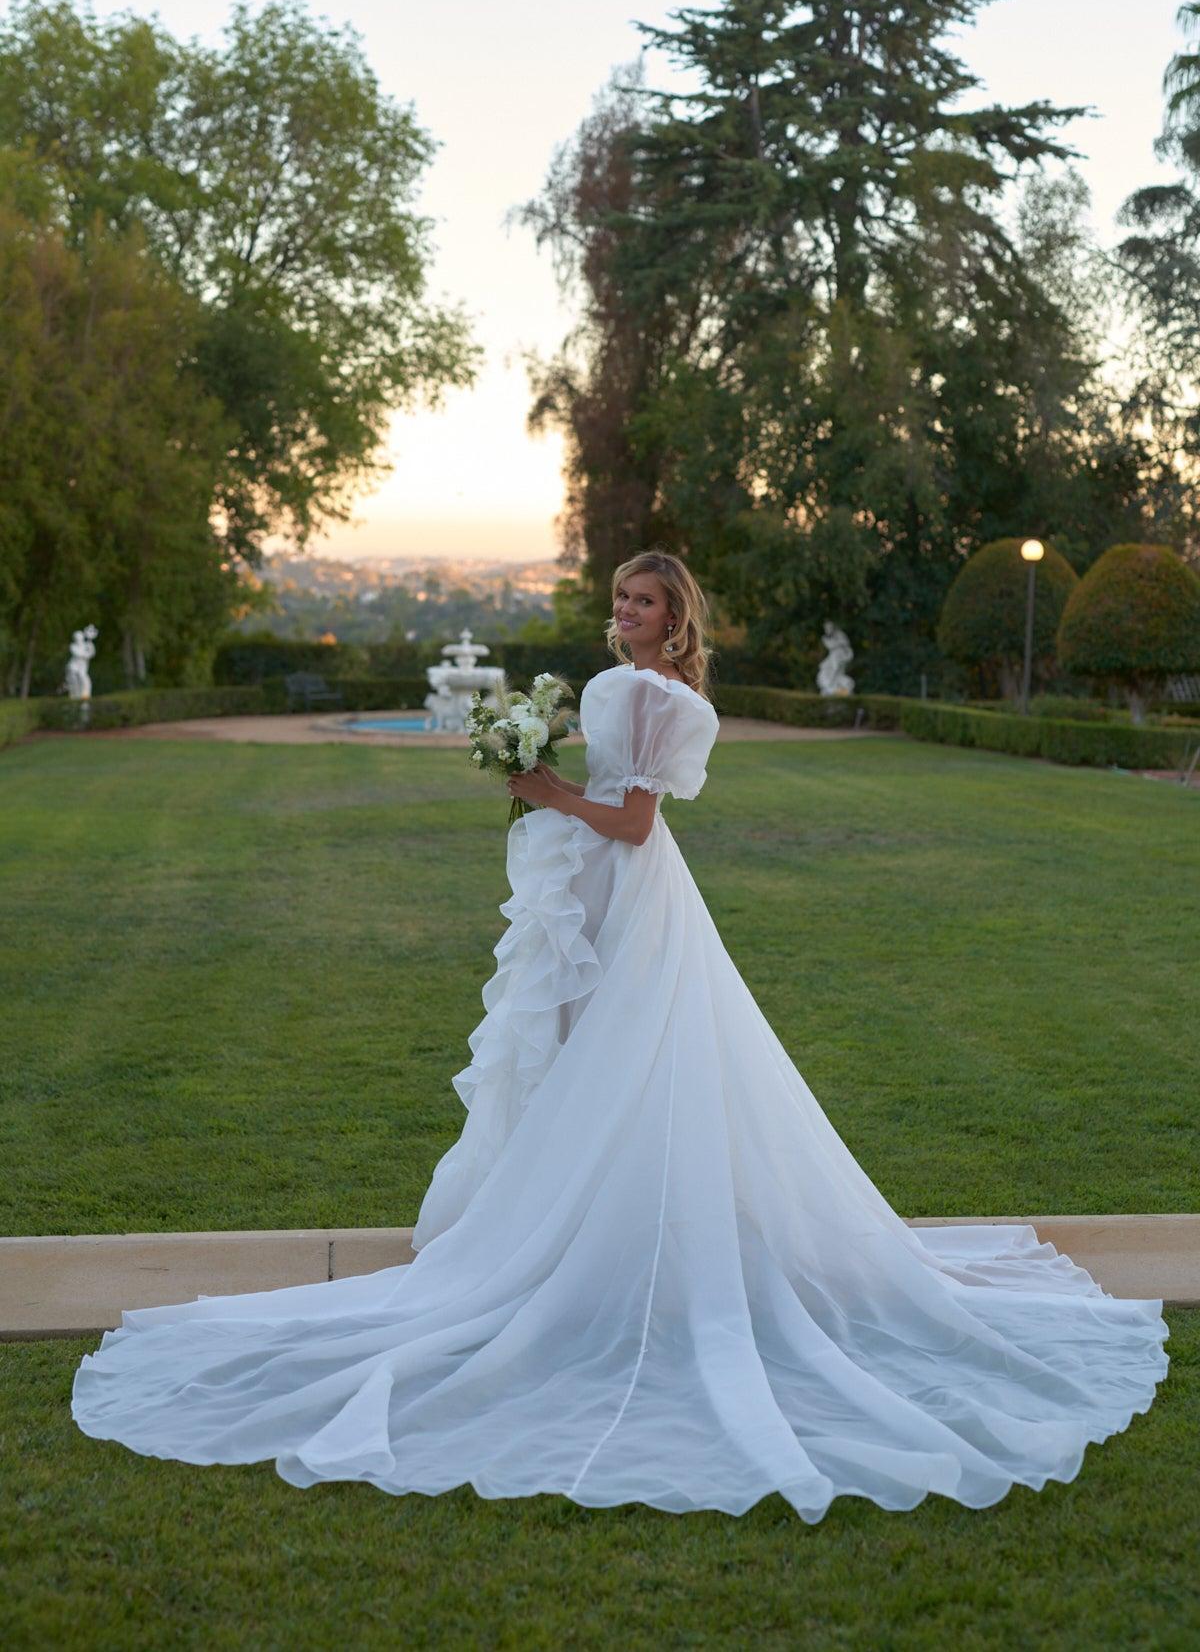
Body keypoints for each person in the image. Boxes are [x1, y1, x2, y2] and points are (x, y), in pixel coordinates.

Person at [71, 550, 1169, 1522]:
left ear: (674, 616)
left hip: (627, 885)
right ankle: (579, 1218)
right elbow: (622, 801)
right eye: (619, 599)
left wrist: (544, 786)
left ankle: (607, 1235)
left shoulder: (647, 695)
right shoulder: (634, 689)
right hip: (603, 884)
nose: (626, 613)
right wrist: (544, 778)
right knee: (588, 1052)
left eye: (644, 601)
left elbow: (638, 820)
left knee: (622, 1054)